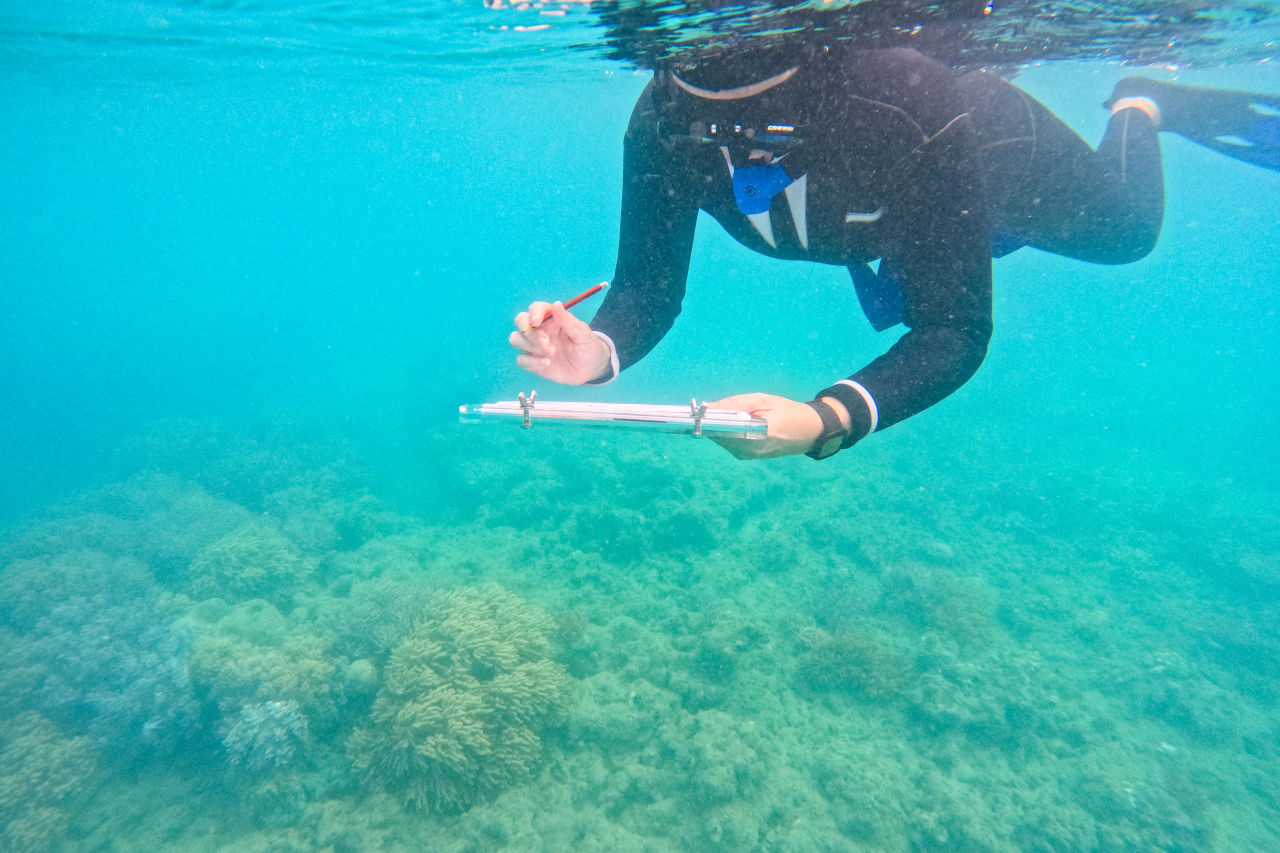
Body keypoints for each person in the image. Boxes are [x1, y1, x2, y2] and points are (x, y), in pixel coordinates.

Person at [508, 44, 1280, 460]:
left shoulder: (901, 96)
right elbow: (648, 286)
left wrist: (823, 419)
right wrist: (596, 352)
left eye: (756, 118)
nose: (727, 140)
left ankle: (1143, 102)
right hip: (878, 225)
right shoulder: (666, 120)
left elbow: (954, 328)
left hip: (990, 159)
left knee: (1126, 235)